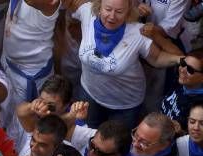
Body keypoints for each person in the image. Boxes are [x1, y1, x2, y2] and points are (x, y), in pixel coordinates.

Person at [68, 0, 183, 128]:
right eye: (108, 9)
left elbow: (157, 58)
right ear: (99, 6)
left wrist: (179, 60)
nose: (112, 16)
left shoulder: (137, 32)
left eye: (119, 12)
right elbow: (64, 4)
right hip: (89, 94)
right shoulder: (86, 12)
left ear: (128, 12)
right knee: (87, 135)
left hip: (124, 105)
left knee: (115, 145)